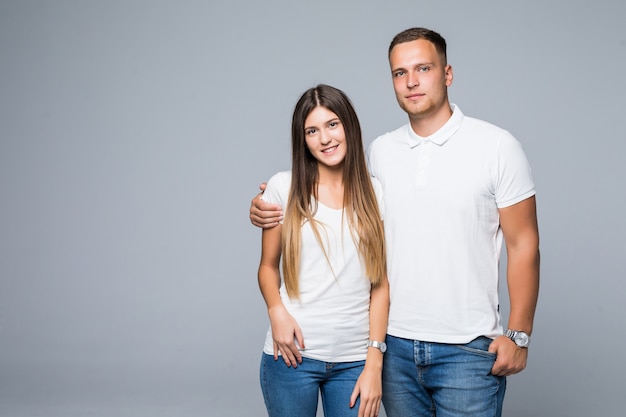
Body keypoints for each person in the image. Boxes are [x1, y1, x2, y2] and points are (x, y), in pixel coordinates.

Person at [251, 28, 540, 417]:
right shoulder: (381, 152)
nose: (412, 81)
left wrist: (519, 334)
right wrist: (268, 201)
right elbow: (334, 194)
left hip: (467, 348)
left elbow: (524, 245)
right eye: (400, 73)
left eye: (423, 68)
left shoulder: (497, 146)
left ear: (448, 73)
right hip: (395, 348)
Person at [257, 84, 389, 417]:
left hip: (355, 361)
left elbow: (381, 284)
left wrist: (374, 360)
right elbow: (268, 267)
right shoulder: (282, 187)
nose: (325, 138)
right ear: (302, 140)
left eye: (332, 124)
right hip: (291, 354)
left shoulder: (375, 191)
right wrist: (276, 311)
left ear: (349, 125)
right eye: (312, 131)